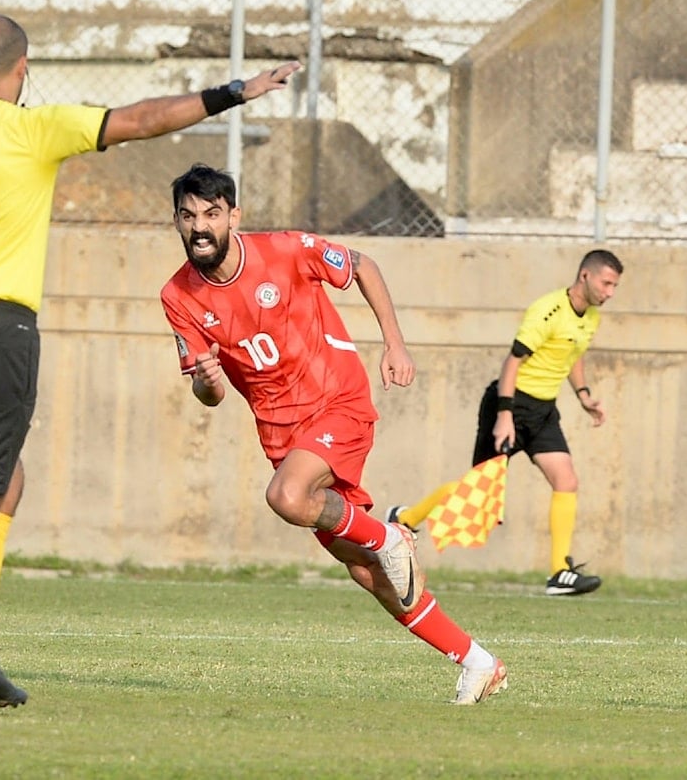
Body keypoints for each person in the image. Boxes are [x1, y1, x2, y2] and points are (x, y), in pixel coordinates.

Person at [0, 14, 301, 717]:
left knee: (7, 480)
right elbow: (145, 119)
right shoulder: (33, 129)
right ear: (22, 66)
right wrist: (234, 91)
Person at [160, 163, 507, 705]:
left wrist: (394, 343)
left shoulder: (284, 250)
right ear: (176, 221)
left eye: (211, 214)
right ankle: (477, 661)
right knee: (368, 574)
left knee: (287, 497)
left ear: (233, 216)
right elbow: (211, 395)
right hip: (283, 435)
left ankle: (389, 534)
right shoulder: (178, 296)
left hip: (336, 403)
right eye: (187, 216)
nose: (199, 226)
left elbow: (364, 266)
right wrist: (206, 382)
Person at [387, 249, 623, 596]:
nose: (610, 293)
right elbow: (511, 364)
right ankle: (404, 519)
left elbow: (573, 354)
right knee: (479, 501)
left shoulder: (590, 317)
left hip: (543, 412)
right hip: (510, 405)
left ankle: (559, 571)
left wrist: (584, 395)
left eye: (615, 286)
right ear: (585, 276)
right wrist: (504, 417)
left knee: (566, 480)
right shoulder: (548, 311)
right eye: (607, 283)